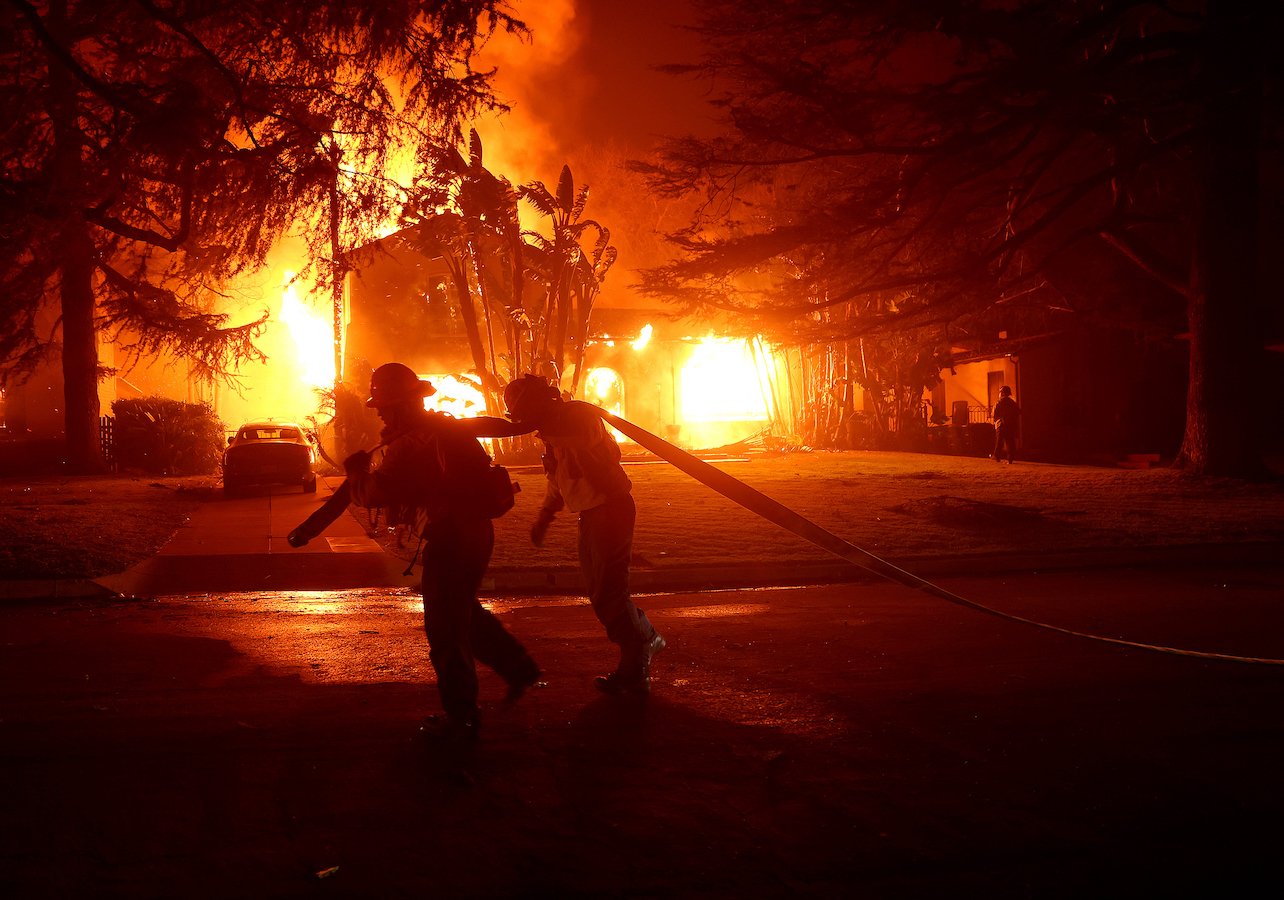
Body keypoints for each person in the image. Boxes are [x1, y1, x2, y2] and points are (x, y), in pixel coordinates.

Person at [345, 363, 541, 741]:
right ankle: (518, 668)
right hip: (472, 532)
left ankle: (462, 715)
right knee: (461, 610)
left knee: (446, 628)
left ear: (404, 403)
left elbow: (375, 492)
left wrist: (356, 473)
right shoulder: (440, 429)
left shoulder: (413, 441)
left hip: (455, 536)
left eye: (384, 405)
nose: (381, 412)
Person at [503, 374, 666, 696]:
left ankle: (636, 666)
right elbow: (558, 480)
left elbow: (584, 440)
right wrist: (544, 518)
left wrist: (546, 429)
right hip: (591, 515)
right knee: (601, 594)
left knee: (609, 593)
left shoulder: (578, 416)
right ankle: (645, 637)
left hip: (611, 508)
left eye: (525, 412)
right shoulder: (552, 434)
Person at [991, 385, 1020, 464]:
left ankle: (997, 456)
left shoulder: (999, 403)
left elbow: (994, 414)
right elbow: (1018, 412)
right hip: (1011, 425)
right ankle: (1010, 458)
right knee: (1010, 441)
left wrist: (995, 422)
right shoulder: (1012, 403)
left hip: (1001, 425)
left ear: (1002, 393)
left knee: (999, 441)